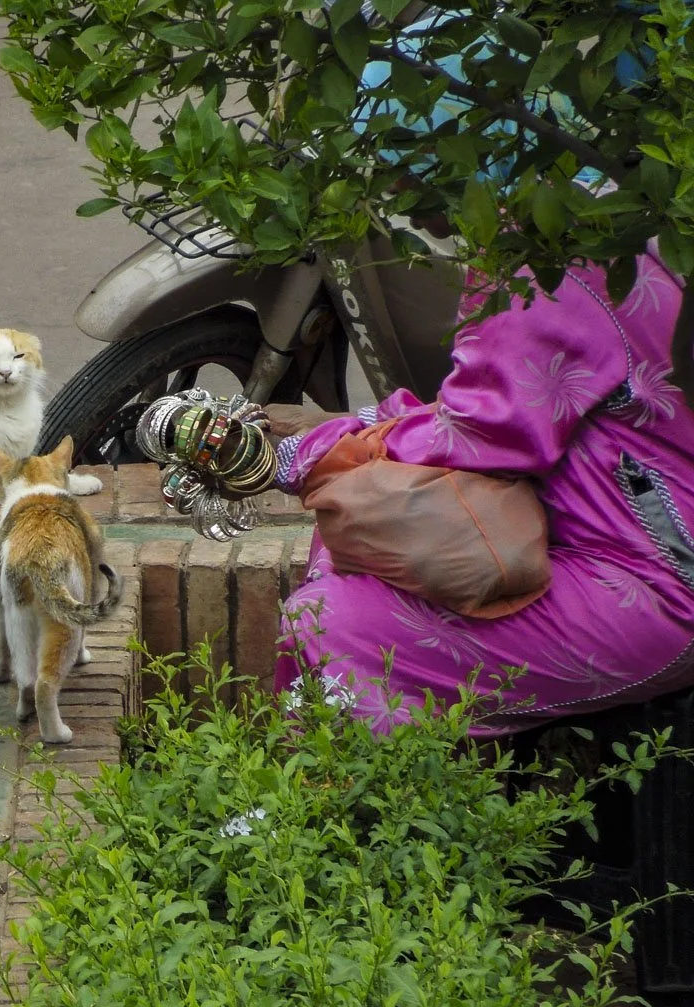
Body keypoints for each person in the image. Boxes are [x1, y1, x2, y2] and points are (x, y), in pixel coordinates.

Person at [265, 247, 694, 735]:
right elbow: (498, 397)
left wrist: (305, 452)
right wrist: (357, 428)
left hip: (661, 582)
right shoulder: (610, 206)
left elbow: (482, 432)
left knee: (330, 626)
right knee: (364, 530)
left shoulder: (548, 244)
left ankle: (331, 804)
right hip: (624, 546)